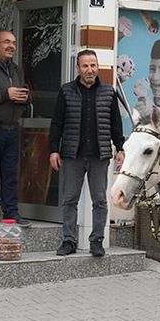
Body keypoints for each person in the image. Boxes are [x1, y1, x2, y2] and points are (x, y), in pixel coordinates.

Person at [49, 50, 126, 257]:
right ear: (78, 68)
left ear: (97, 66)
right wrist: (53, 150)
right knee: (69, 199)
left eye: (93, 65)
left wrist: (120, 148)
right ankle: (68, 241)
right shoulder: (66, 91)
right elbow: (56, 123)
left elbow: (116, 124)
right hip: (72, 155)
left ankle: (97, 241)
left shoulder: (109, 92)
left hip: (99, 155)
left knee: (100, 200)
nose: (90, 70)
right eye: (85, 66)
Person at [0, 30, 31, 227]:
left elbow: (24, 92)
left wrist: (25, 97)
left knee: (11, 174)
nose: (11, 46)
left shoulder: (15, 69)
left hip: (13, 129)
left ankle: (11, 213)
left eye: (13, 42)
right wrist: (6, 94)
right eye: (6, 42)